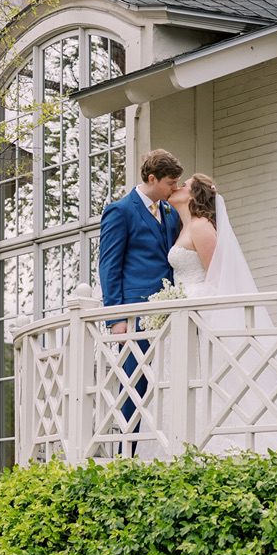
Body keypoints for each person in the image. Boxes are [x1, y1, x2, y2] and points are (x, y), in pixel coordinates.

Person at [166, 173, 277, 452]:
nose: (178, 186)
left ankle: (212, 444)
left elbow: (217, 276)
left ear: (193, 195)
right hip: (181, 312)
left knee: (207, 379)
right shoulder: (184, 226)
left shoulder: (202, 227)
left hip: (197, 312)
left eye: (186, 184)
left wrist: (193, 302)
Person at [98, 149, 184, 445]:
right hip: (134, 313)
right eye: (170, 183)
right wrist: (116, 318)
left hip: (169, 309)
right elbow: (109, 265)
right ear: (152, 178)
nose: (175, 188)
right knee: (134, 381)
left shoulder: (170, 213)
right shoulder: (120, 211)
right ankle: (128, 450)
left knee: (167, 379)